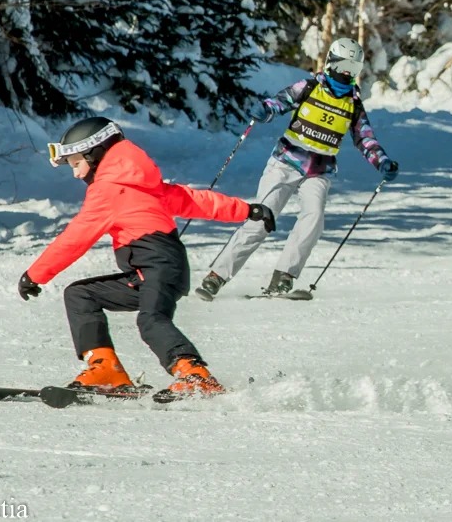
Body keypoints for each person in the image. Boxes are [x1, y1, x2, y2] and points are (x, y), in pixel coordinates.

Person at [18, 117, 276, 401]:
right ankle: (105, 369)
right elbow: (190, 200)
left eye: (76, 163)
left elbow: (76, 238)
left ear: (95, 154)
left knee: (151, 320)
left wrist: (36, 274)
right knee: (81, 295)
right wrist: (245, 210)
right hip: (151, 269)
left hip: (157, 265)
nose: (76, 174)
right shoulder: (138, 183)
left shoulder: (108, 190)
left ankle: (195, 375)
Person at [196, 37, 398, 300]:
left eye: (354, 67)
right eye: (344, 65)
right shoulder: (310, 86)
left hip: (320, 170)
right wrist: (266, 110)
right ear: (331, 63)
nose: (347, 72)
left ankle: (284, 278)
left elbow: (365, 138)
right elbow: (280, 101)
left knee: (313, 218)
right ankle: (217, 276)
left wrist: (381, 161)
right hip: (286, 162)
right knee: (262, 218)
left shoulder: (353, 103)